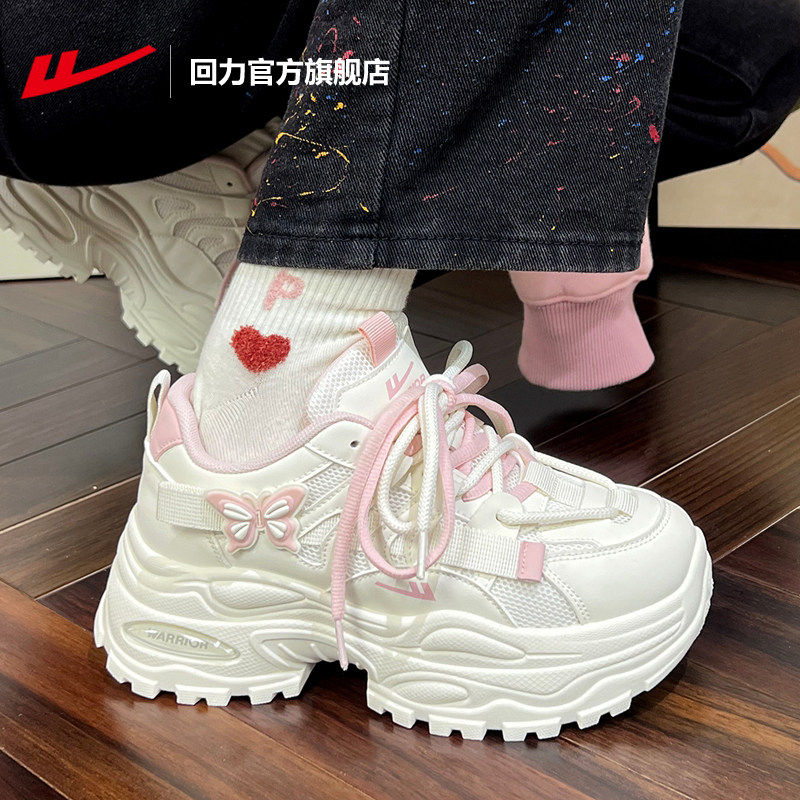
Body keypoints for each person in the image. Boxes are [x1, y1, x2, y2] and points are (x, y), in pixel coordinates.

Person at [2, 0, 759, 739]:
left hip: (229, 67)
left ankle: (268, 201)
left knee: (753, 53)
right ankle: (287, 371)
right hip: (66, 50)